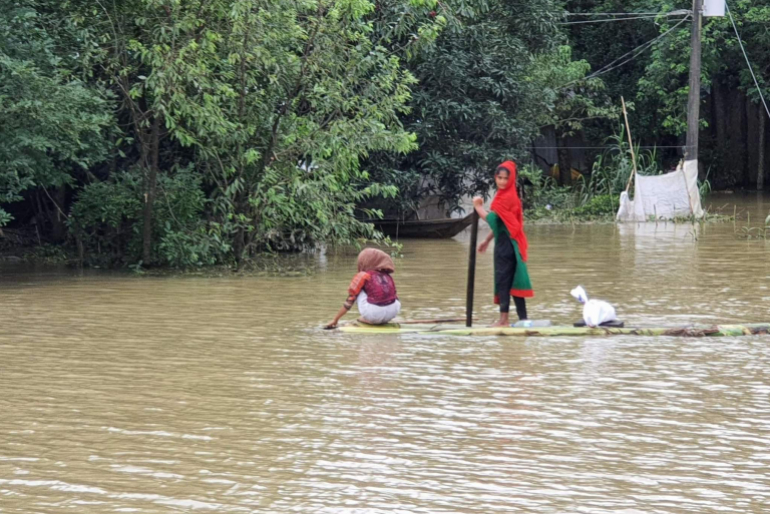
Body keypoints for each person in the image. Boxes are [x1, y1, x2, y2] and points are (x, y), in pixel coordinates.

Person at [473, 161, 533, 327]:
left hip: (506, 247)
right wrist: (487, 240)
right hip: (513, 244)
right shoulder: (511, 194)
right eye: (499, 178)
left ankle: (503, 320)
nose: (502, 182)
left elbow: (491, 219)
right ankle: (523, 319)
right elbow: (503, 225)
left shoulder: (506, 197)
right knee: (514, 280)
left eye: (506, 178)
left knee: (503, 281)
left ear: (511, 179)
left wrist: (478, 207)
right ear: (495, 178)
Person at [325, 248, 401, 329]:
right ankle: (383, 319)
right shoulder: (387, 275)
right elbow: (395, 296)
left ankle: (370, 320)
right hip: (393, 312)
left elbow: (349, 302)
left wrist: (335, 320)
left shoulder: (363, 275)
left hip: (373, 314)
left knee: (357, 290)